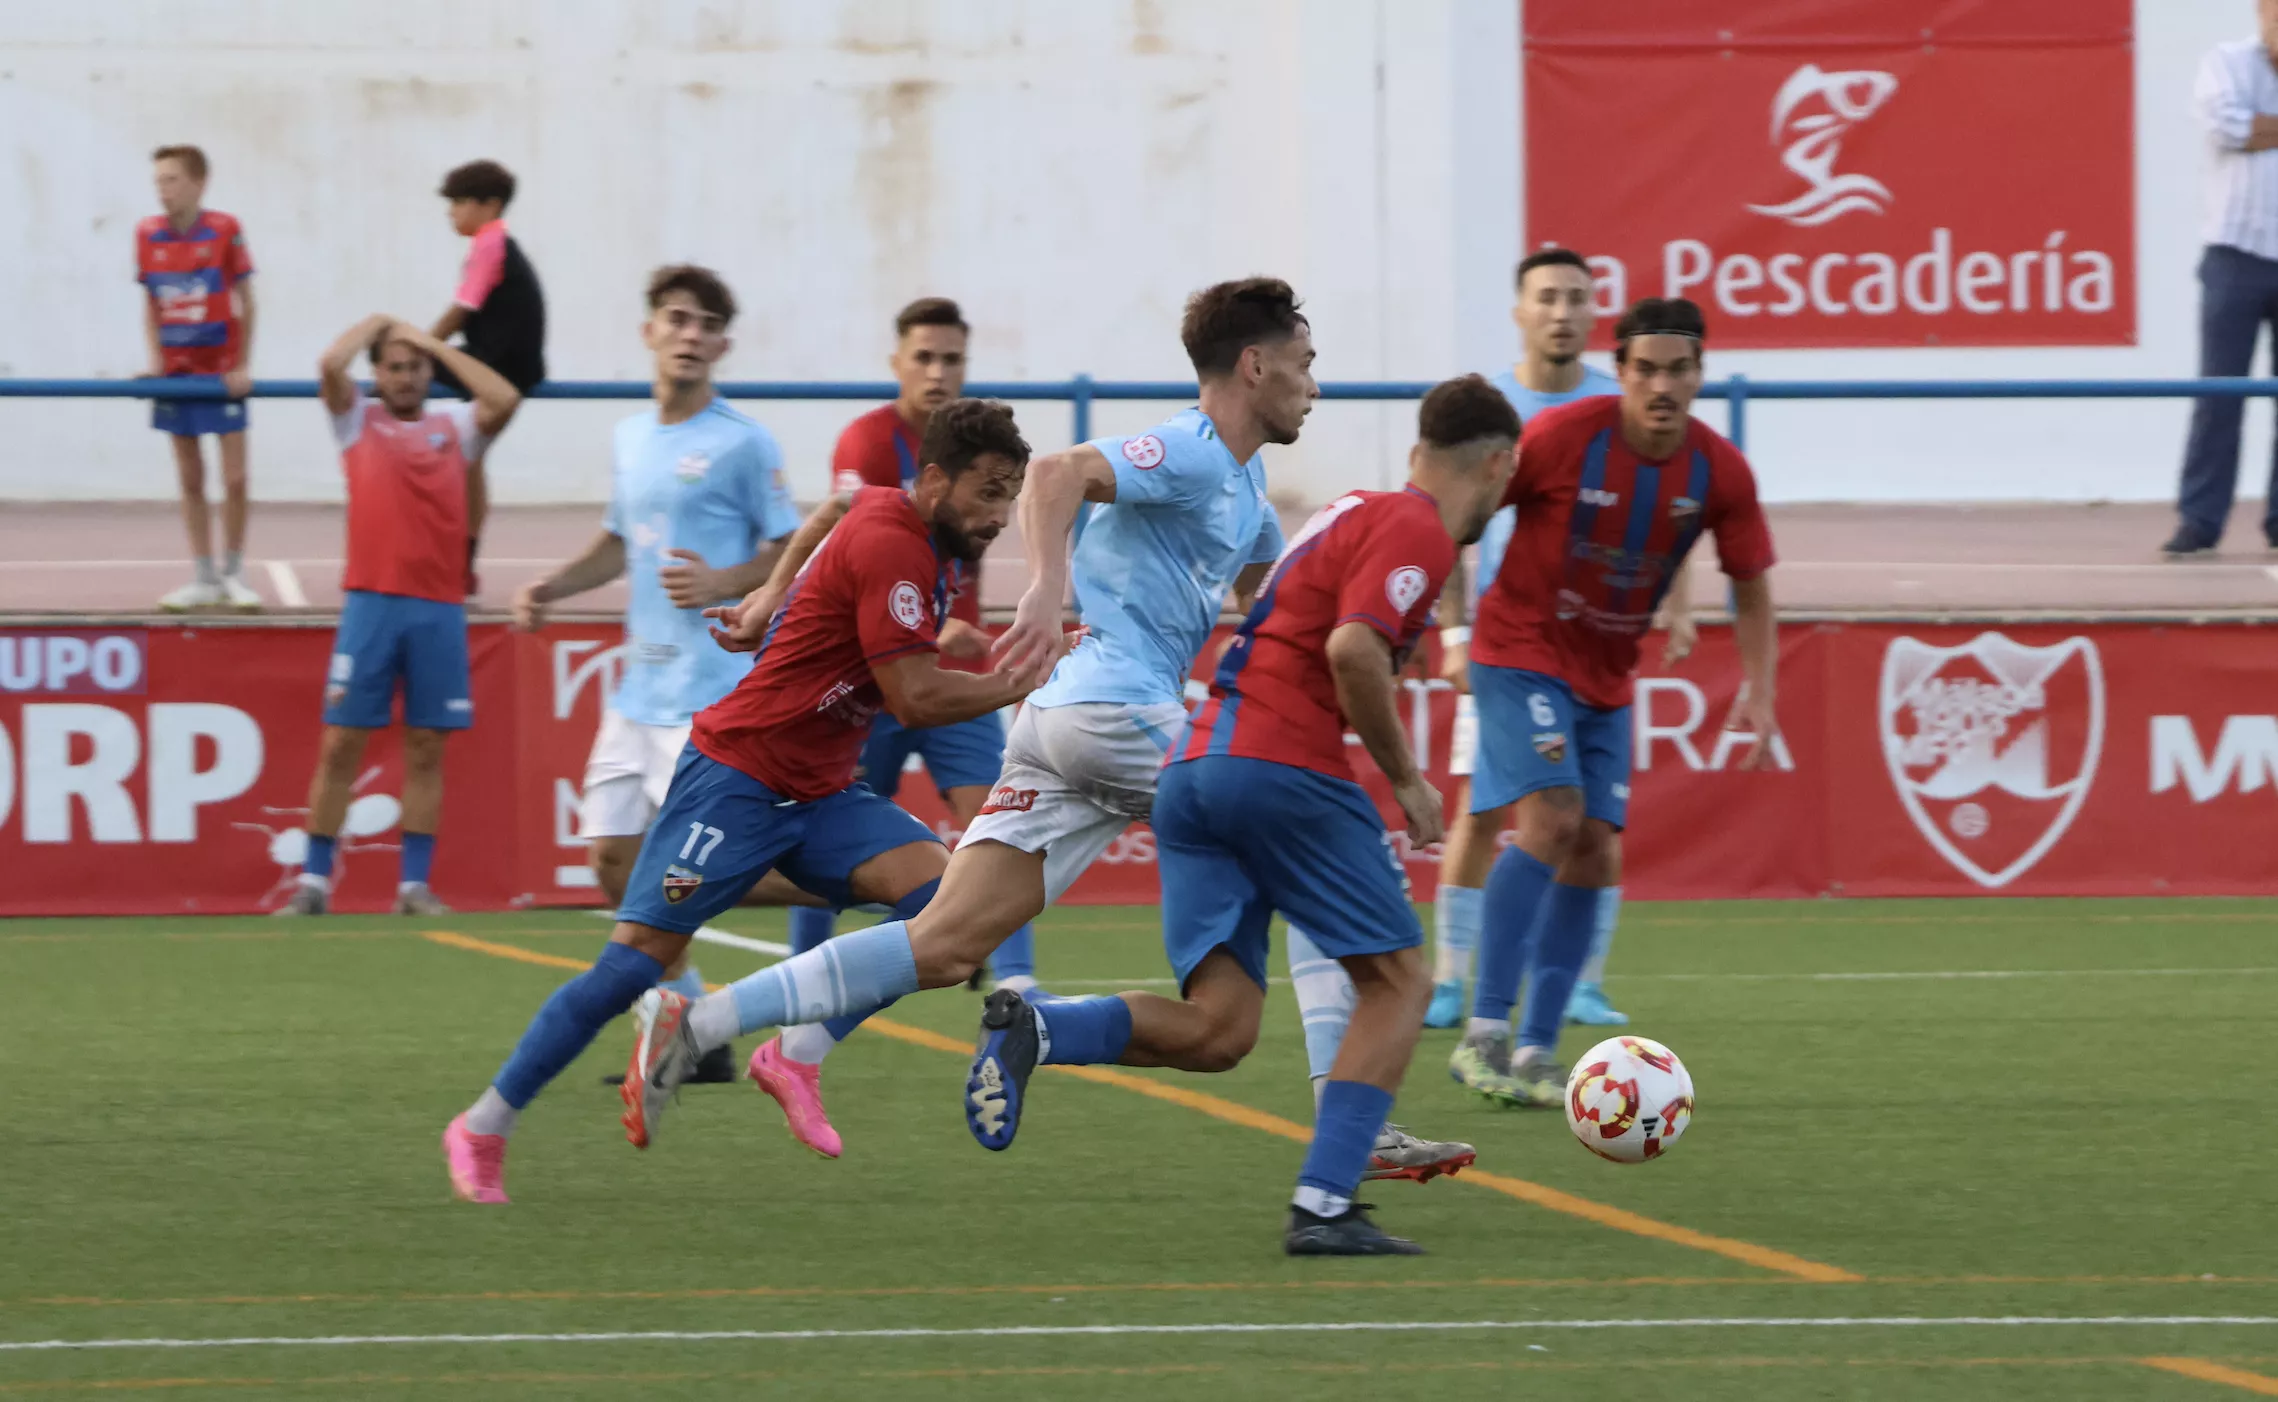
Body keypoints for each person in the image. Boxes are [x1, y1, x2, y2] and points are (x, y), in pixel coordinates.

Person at [622, 279, 1473, 1186]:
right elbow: (1060, 472)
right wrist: (1040, 587)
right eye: (1303, 365)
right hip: (1113, 708)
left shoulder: (1248, 489)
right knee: (1303, 825)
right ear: (1254, 366)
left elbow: (1271, 611)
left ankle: (698, 1024)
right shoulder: (1186, 448)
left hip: (1063, 725)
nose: (1314, 385)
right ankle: (1357, 1129)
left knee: (946, 943)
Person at [966, 376, 1518, 1256]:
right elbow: (1351, 650)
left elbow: (1279, 617)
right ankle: (1328, 1201)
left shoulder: (1346, 510)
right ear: (1497, 465)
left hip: (1197, 767)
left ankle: (1041, 1026)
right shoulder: (1419, 529)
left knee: (1220, 1028)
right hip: (1280, 765)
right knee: (1401, 982)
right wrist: (1407, 780)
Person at [442, 399, 1037, 1204]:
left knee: (947, 911)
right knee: (628, 969)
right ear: (934, 480)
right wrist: (1022, 680)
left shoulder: (903, 520)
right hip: (736, 779)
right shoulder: (896, 543)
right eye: (990, 492)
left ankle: (795, 1054)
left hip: (823, 791)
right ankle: (483, 1125)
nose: (1001, 515)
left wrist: (764, 601)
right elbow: (915, 699)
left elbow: (831, 507)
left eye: (1011, 495)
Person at [1449, 298, 1780, 1109]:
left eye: (1678, 369)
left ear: (1700, 375)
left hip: (1604, 675)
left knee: (1596, 849)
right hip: (1519, 652)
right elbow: (1459, 511)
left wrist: (1761, 691)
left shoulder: (1720, 471)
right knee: (1553, 820)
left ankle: (1536, 1052)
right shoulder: (1566, 436)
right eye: (1645, 368)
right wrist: (1447, 630)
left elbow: (1751, 585)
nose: (1661, 385)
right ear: (1621, 370)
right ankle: (1482, 1033)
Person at [509, 265, 799, 1086]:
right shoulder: (632, 438)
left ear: (723, 345)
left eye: (708, 324)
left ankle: (854, 881)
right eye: (678, 319)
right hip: (636, 696)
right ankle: (697, 1040)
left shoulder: (744, 443)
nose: (691, 335)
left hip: (707, 698)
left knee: (699, 869)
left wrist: (722, 582)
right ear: (649, 332)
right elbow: (617, 541)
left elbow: (789, 552)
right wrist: (550, 587)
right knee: (612, 861)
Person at [791, 297, 1041, 1005]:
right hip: (873, 676)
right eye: (924, 357)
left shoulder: (982, 451)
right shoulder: (867, 443)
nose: (937, 372)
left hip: (952, 675)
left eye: (952, 359)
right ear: (896, 362)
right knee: (816, 834)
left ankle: (1018, 985)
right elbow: (854, 547)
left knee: (1004, 819)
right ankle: (802, 980)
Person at [1427, 247, 1625, 1029]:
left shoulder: (1623, 402)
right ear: (1519, 311)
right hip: (1510, 649)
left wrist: (1673, 604)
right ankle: (1450, 979)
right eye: (1547, 297)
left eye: (1577, 297)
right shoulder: (1493, 408)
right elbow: (1448, 523)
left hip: (1593, 649)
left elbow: (1660, 509)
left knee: (1595, 827)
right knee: (1482, 810)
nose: (1563, 311)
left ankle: (1580, 981)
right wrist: (1454, 633)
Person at [278, 315, 521, 917]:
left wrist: (430, 341)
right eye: (393, 366)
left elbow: (504, 397)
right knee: (341, 744)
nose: (405, 377)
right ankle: (313, 882)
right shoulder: (356, 419)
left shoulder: (456, 427)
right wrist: (378, 326)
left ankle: (413, 887)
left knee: (425, 748)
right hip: (371, 603)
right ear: (379, 374)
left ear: (427, 373)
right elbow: (331, 366)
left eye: (414, 368)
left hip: (438, 609)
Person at [138, 145, 259, 612]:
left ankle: (234, 571)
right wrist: (155, 359)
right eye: (158, 182)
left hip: (221, 371)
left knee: (236, 478)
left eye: (171, 180)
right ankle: (203, 575)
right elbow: (151, 303)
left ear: (198, 183)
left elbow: (247, 300)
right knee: (191, 478)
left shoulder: (225, 230)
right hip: (176, 374)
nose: (162, 190)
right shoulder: (147, 234)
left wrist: (243, 363)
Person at [428, 160, 547, 397]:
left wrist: (418, 346)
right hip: (516, 364)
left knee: (405, 370)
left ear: (491, 205)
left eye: (460, 202)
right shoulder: (499, 243)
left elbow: (461, 311)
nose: (451, 211)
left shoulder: (490, 245)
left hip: (501, 366)